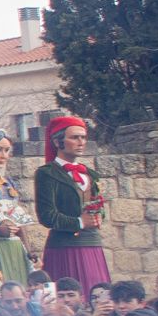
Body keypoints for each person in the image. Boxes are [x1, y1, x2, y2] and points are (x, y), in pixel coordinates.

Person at [33, 115, 111, 296]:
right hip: (64, 247)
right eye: (74, 137)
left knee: (97, 295)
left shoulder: (90, 174)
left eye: (83, 137)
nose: (81, 142)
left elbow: (98, 206)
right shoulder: (47, 173)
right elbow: (46, 216)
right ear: (58, 141)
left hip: (92, 245)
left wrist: (99, 216)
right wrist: (79, 222)